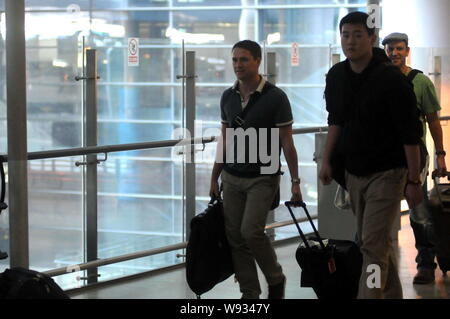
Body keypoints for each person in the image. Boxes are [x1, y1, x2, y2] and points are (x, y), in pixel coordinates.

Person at [319, 12, 423, 299]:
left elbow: (409, 133)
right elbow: (335, 120)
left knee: (373, 246)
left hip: (388, 172)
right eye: (345, 35)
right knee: (372, 243)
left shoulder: (390, 78)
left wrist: (413, 181)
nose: (350, 42)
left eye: (357, 35)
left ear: (372, 38)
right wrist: (327, 159)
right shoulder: (337, 75)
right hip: (353, 171)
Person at [209, 40, 302, 299]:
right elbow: (224, 139)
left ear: (258, 61)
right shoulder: (228, 96)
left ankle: (275, 278)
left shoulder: (275, 97)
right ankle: (250, 292)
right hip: (232, 176)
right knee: (235, 237)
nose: (238, 65)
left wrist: (295, 181)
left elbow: (287, 142)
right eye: (235, 60)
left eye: (244, 60)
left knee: (250, 231)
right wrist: (214, 176)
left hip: (263, 177)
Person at [383, 32, 447, 284]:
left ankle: (426, 264)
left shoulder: (420, 82)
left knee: (418, 209)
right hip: (384, 153)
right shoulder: (379, 79)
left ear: (407, 51)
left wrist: (440, 155)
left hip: (414, 153)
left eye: (399, 49)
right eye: (390, 49)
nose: (394, 53)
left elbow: (433, 120)